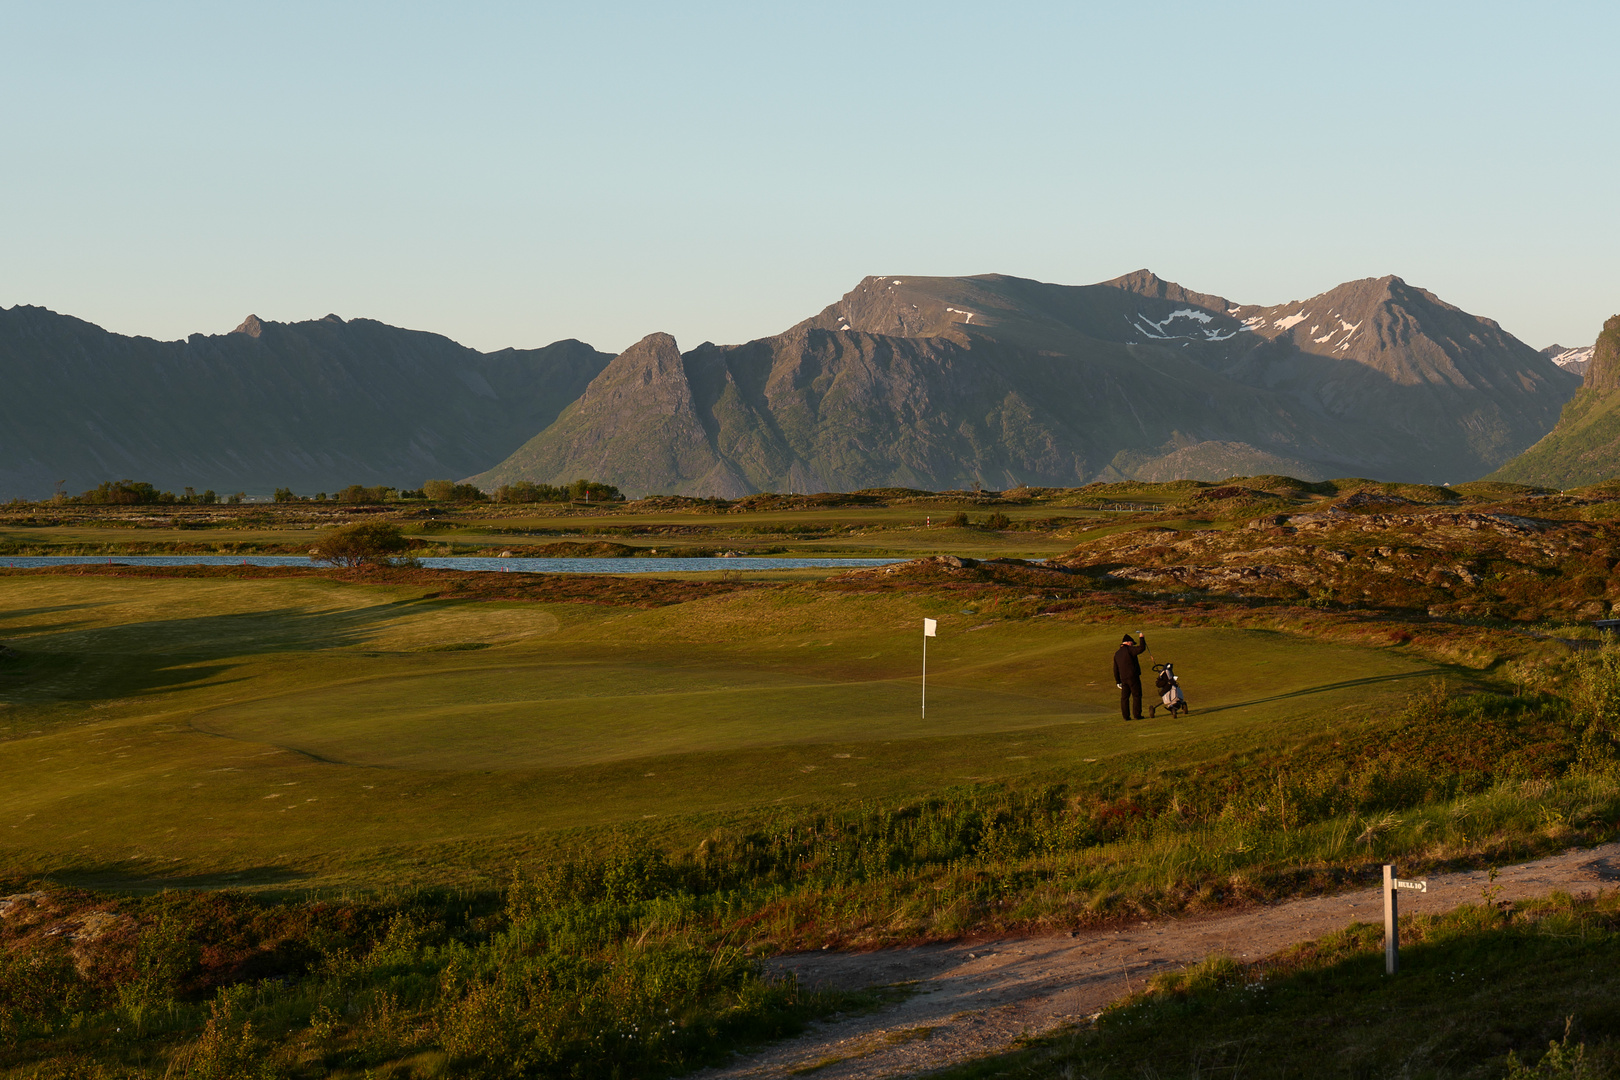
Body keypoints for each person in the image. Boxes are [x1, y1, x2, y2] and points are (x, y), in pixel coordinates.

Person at [1113, 631, 1148, 721]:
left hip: (1123, 679)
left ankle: (1126, 716)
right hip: (1133, 677)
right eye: (1132, 644)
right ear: (1128, 643)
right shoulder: (1129, 650)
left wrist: (1118, 681)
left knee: (1124, 698)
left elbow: (1115, 669)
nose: (1132, 645)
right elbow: (1141, 648)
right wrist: (1141, 638)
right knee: (1136, 695)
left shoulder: (1117, 654)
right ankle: (1137, 715)